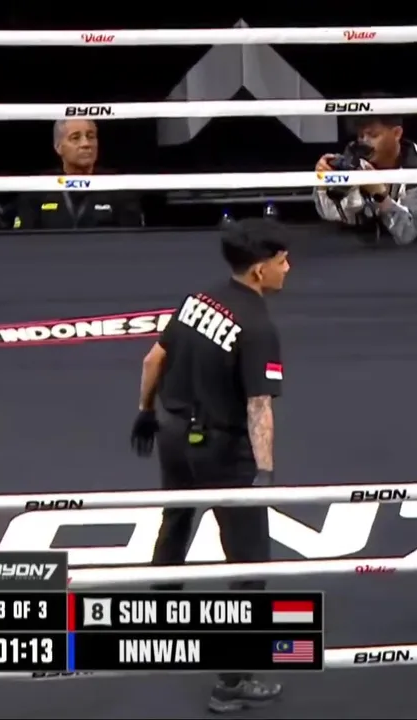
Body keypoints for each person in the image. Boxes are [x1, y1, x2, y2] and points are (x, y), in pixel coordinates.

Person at [129, 218, 288, 713]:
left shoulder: (198, 299)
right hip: (222, 449)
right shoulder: (258, 327)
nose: (288, 268)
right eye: (282, 260)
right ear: (259, 270)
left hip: (173, 434)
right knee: (249, 563)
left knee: (176, 520)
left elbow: (152, 360)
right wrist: (264, 473)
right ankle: (231, 682)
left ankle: (157, 617)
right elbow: (259, 406)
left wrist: (145, 412)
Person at [313, 113, 417, 245]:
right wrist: (324, 183)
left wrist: (380, 195)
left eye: (373, 135)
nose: (365, 142)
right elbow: (331, 213)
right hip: (369, 246)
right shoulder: (355, 154)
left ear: (396, 133)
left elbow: (408, 232)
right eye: (361, 136)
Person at [12, 119, 143, 230]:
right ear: (58, 146)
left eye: (91, 137)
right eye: (75, 138)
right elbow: (23, 240)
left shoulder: (117, 185)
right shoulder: (38, 187)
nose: (86, 144)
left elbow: (133, 240)